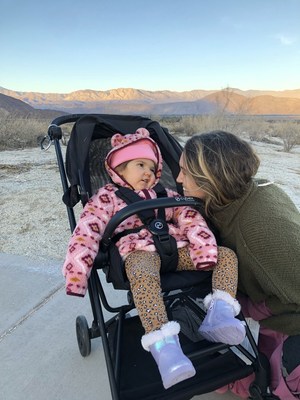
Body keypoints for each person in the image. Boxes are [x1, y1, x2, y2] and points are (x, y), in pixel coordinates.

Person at [62, 128, 246, 390]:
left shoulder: (165, 194)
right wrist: (77, 273)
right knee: (142, 268)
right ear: (119, 167)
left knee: (226, 255)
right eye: (140, 165)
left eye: (152, 167)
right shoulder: (105, 198)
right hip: (137, 254)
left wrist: (203, 247)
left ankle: (219, 316)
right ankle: (165, 347)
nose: (148, 172)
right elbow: (86, 231)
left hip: (174, 249)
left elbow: (189, 216)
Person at [177, 130, 300, 399]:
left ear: (210, 178)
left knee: (272, 386)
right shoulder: (240, 195)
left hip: (292, 325)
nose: (178, 179)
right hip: (277, 309)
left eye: (185, 172)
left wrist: (256, 307)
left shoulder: (259, 229)